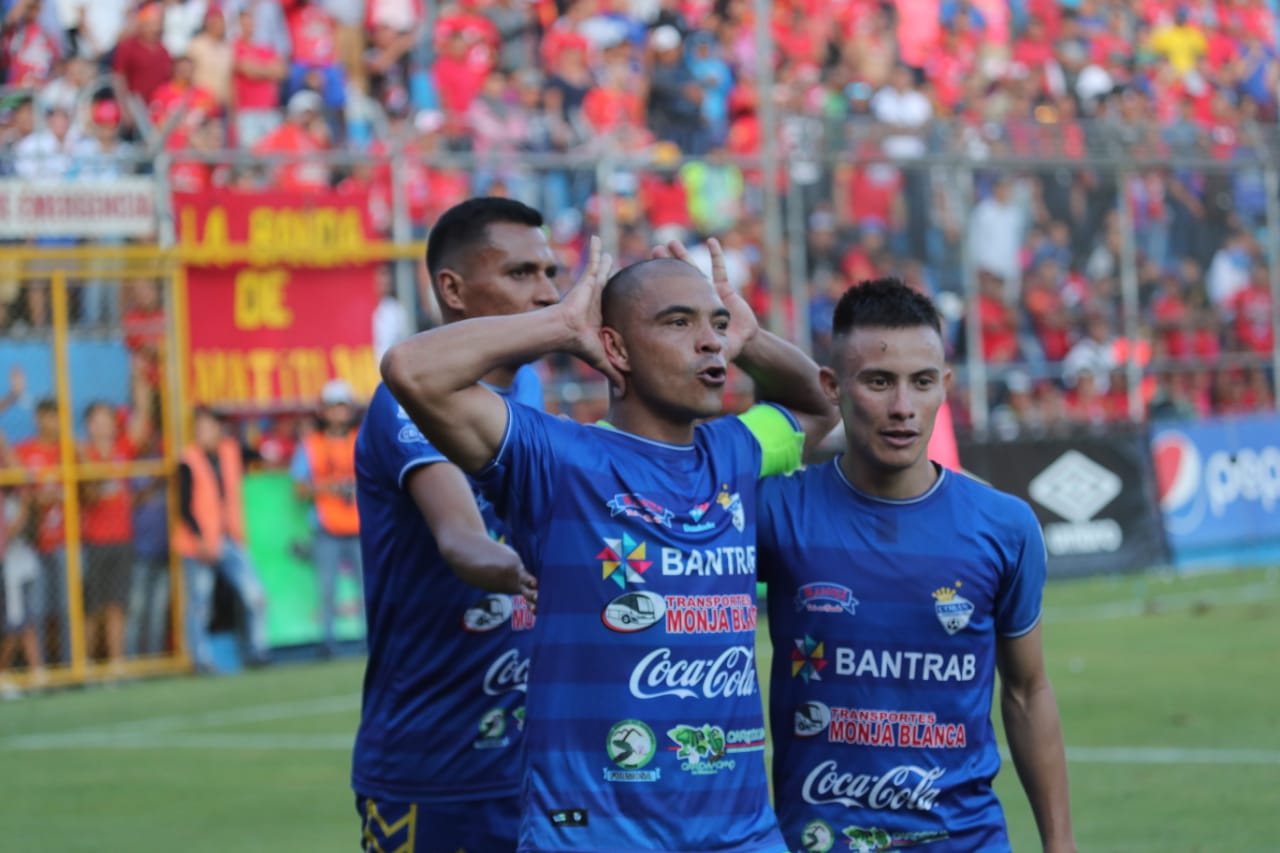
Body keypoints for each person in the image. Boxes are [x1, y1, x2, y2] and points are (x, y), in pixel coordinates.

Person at [380, 235, 838, 852]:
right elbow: (412, 371)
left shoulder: (737, 449)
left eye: (717, 325)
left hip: (743, 836)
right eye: (679, 323)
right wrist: (561, 324)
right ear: (614, 347)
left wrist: (749, 338)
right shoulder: (561, 460)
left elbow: (821, 404)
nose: (710, 341)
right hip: (597, 837)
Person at [757, 278, 1075, 853]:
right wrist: (748, 338)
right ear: (833, 387)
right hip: (820, 841)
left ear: (944, 387)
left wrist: (1060, 844)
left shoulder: (1004, 527)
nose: (903, 407)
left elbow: (1027, 692)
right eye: (878, 382)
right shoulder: (777, 512)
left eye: (922, 382)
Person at [351, 197, 558, 852]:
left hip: (531, 770)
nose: (547, 294)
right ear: (454, 289)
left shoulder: (527, 392)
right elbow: (463, 541)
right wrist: (542, 571)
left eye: (550, 274)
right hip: (431, 772)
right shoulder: (406, 400)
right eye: (523, 274)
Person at [174, 407, 270, 672]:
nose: (203, 432)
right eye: (199, 427)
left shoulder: (230, 450)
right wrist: (200, 538)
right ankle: (201, 659)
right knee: (200, 605)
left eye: (208, 426)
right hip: (199, 545)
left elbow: (259, 455)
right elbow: (183, 505)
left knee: (255, 595)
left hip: (230, 539)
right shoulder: (188, 460)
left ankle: (258, 650)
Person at [291, 378, 363, 658]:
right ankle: (328, 644)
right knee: (327, 589)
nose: (338, 412)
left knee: (367, 589)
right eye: (333, 406)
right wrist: (329, 487)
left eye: (342, 406)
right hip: (326, 528)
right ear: (324, 410)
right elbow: (299, 488)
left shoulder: (362, 438)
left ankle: (372, 641)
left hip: (359, 526)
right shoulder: (311, 444)